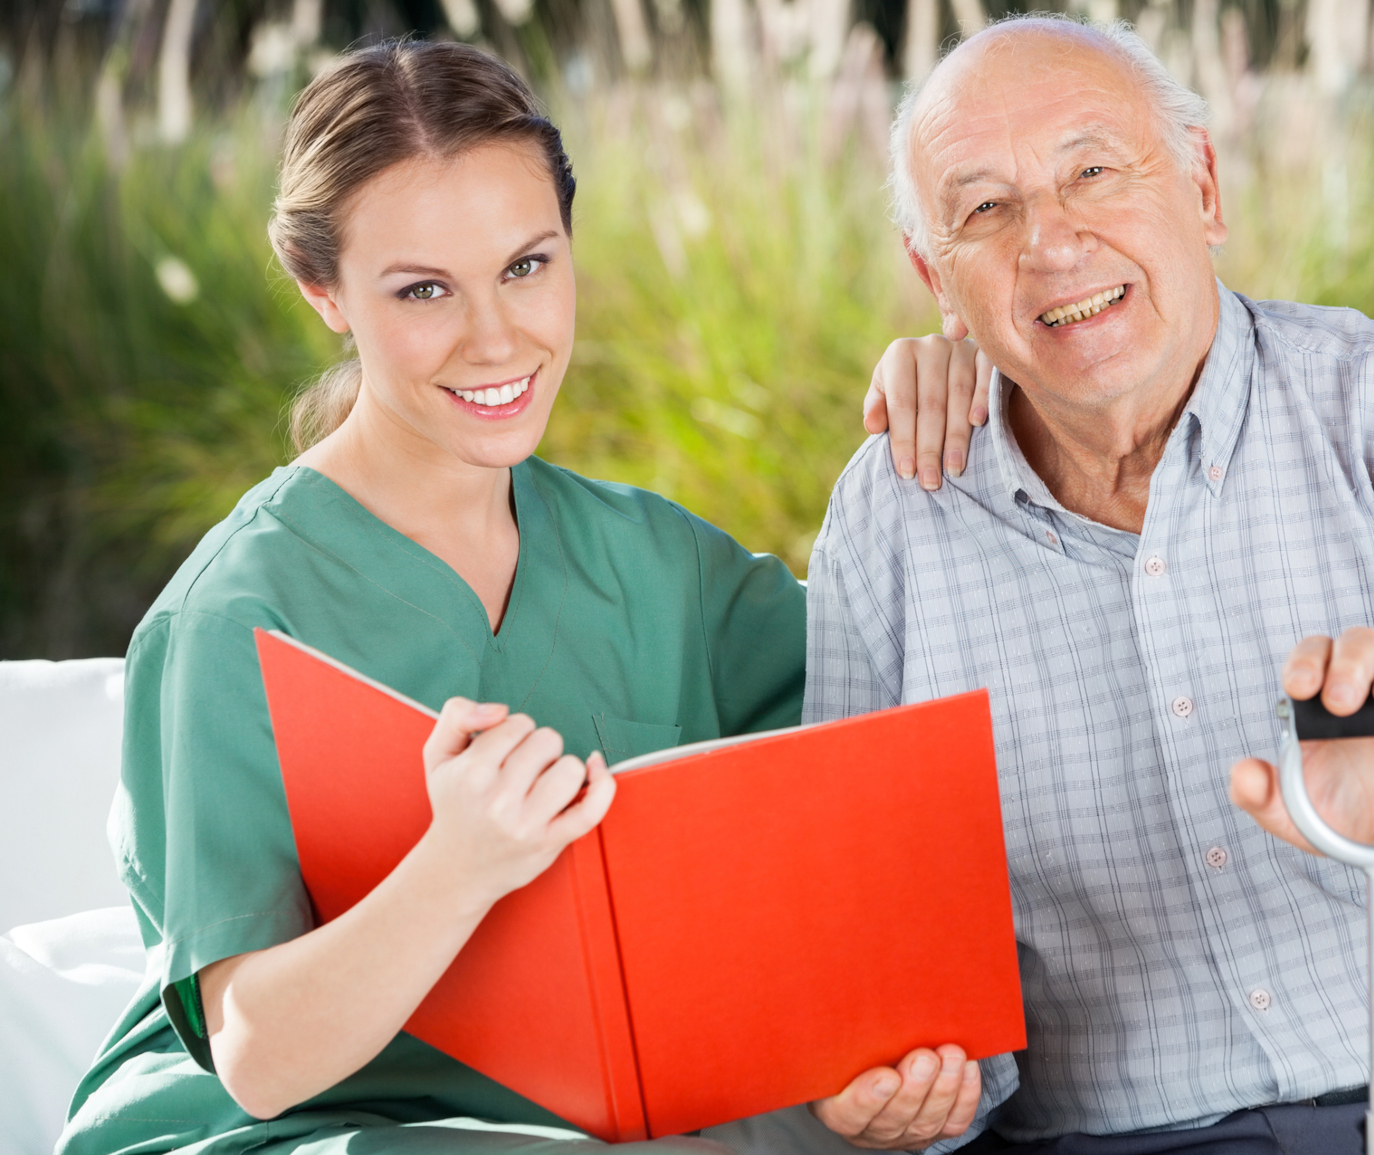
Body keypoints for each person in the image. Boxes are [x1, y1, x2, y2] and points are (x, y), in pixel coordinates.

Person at [803, 15, 1374, 1155]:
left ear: (1203, 188)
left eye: (1094, 170)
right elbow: (884, 940)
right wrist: (917, 1092)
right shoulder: (894, 516)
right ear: (934, 273)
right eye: (986, 208)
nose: (1052, 240)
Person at [57, 38, 981, 1155]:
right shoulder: (236, 617)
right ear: (321, 288)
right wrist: (455, 868)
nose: (497, 337)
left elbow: (906, 750)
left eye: (528, 266)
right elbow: (257, 1059)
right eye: (423, 290)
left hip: (615, 1125)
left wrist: (973, 387)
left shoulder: (658, 564)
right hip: (311, 1132)